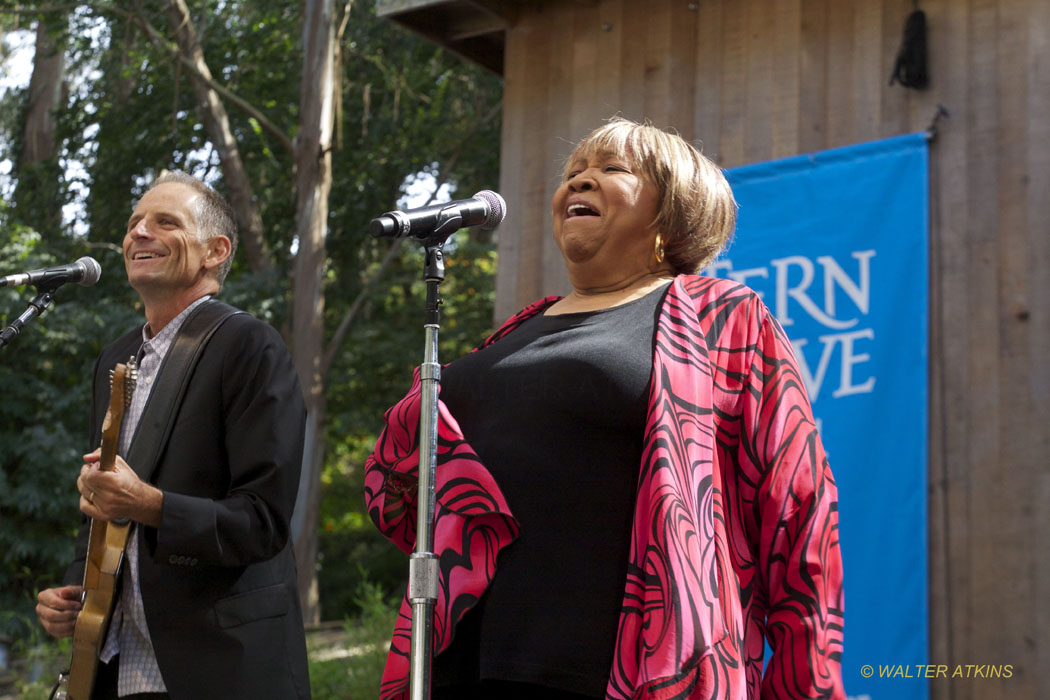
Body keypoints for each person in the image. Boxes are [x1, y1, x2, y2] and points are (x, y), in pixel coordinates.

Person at [365, 118, 845, 700]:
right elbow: (404, 488)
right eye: (572, 174)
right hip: (469, 664)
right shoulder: (516, 330)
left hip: (622, 670)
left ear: (674, 212)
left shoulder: (725, 318)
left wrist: (805, 685)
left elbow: (799, 513)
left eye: (610, 170)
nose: (579, 183)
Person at [35, 171, 311, 700]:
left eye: (165, 222)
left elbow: (264, 521)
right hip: (116, 665)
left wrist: (152, 505)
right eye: (134, 222)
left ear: (215, 251)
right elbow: (100, 501)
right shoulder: (115, 358)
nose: (139, 232)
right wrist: (77, 590)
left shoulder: (249, 346)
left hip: (217, 667)